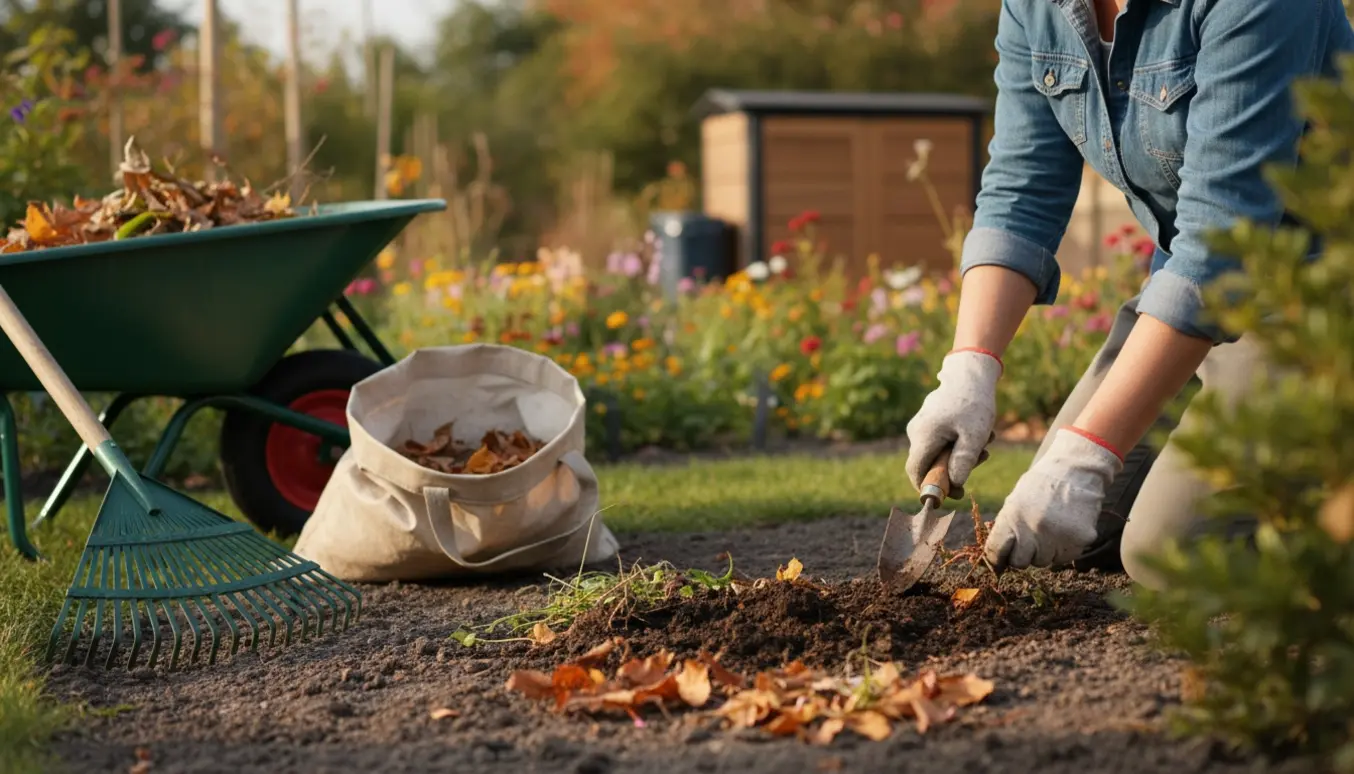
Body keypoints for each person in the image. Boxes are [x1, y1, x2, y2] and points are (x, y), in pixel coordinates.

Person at [903, 0, 1354, 589]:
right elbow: (1021, 190)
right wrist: (968, 370)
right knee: (1059, 535)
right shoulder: (1036, 9)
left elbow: (1223, 240)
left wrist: (1086, 454)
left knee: (1174, 551)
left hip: (1316, 296)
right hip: (1193, 293)